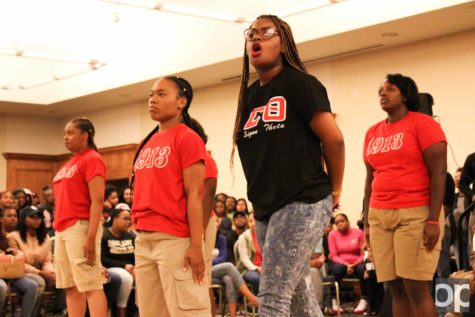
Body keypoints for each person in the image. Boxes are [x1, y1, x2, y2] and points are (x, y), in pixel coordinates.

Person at [232, 14, 344, 317]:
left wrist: (335, 189)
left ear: (284, 43)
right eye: (251, 33)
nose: (256, 38)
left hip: (303, 199)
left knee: (272, 297)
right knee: (297, 298)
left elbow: (334, 141)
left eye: (266, 33)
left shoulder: (300, 84)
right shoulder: (251, 95)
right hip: (268, 208)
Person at [363, 74, 447, 317]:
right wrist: (367, 222)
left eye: (390, 89)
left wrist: (432, 220)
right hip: (380, 215)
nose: (383, 93)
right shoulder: (372, 132)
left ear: (405, 94)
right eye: (381, 89)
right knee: (395, 288)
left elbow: (439, 173)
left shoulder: (423, 124)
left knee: (415, 287)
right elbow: (370, 179)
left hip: (416, 212)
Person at [131, 76, 210, 317]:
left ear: (181, 102)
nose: (153, 99)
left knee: (187, 311)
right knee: (151, 312)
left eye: (161, 94)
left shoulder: (187, 138)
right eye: (151, 94)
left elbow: (195, 196)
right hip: (143, 239)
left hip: (174, 239)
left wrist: (197, 245)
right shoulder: (147, 142)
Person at [53, 117, 108, 317]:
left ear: (85, 135)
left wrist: (91, 237)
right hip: (62, 228)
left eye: (70, 133)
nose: (65, 138)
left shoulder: (92, 158)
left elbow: (98, 200)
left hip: (81, 226)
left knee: (90, 284)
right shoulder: (70, 162)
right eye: (65, 133)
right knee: (71, 285)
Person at [8, 205, 58, 315]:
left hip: (40, 272)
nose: (37, 220)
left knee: (60, 278)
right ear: (23, 218)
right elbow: (18, 263)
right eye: (32, 217)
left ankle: (55, 312)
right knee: (38, 282)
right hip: (20, 272)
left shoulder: (45, 238)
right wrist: (40, 273)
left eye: (39, 217)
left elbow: (47, 260)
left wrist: (51, 273)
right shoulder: (13, 237)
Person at [0, 214, 39, 317]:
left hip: (9, 273)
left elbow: (15, 255)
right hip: (2, 277)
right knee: (2, 287)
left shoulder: (4, 237)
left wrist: (12, 253)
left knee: (32, 285)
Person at [328, 213, 367, 314]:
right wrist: (346, 264)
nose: (340, 224)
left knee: (363, 269)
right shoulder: (332, 234)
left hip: (357, 262)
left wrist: (353, 265)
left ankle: (364, 299)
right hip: (340, 262)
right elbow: (333, 255)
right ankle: (334, 300)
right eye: (337, 223)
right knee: (336, 269)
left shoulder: (359, 233)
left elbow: (363, 255)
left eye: (342, 221)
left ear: (348, 221)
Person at [101, 207, 135, 317]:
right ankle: (121, 313)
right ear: (115, 219)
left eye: (129, 219)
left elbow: (137, 256)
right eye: (125, 219)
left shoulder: (131, 236)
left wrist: (135, 267)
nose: (128, 222)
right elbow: (103, 259)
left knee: (144, 275)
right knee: (126, 277)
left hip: (131, 268)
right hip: (110, 268)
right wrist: (124, 265)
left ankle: (140, 311)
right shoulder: (104, 235)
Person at [236, 212, 261, 295]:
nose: (253, 223)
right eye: (250, 221)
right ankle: (258, 303)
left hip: (264, 268)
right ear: (248, 223)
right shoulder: (243, 237)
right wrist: (257, 268)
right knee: (256, 278)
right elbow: (244, 259)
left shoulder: (265, 234)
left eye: (255, 221)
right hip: (248, 269)